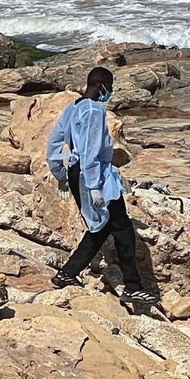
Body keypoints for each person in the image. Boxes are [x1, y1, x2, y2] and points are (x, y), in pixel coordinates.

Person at [45, 67, 161, 315]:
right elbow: (91, 151)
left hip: (77, 173)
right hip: (95, 175)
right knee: (123, 227)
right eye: (110, 87)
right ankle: (132, 286)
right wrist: (95, 186)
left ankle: (67, 273)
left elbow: (54, 143)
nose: (111, 92)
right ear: (100, 86)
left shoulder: (73, 107)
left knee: (100, 227)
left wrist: (61, 175)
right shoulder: (94, 111)